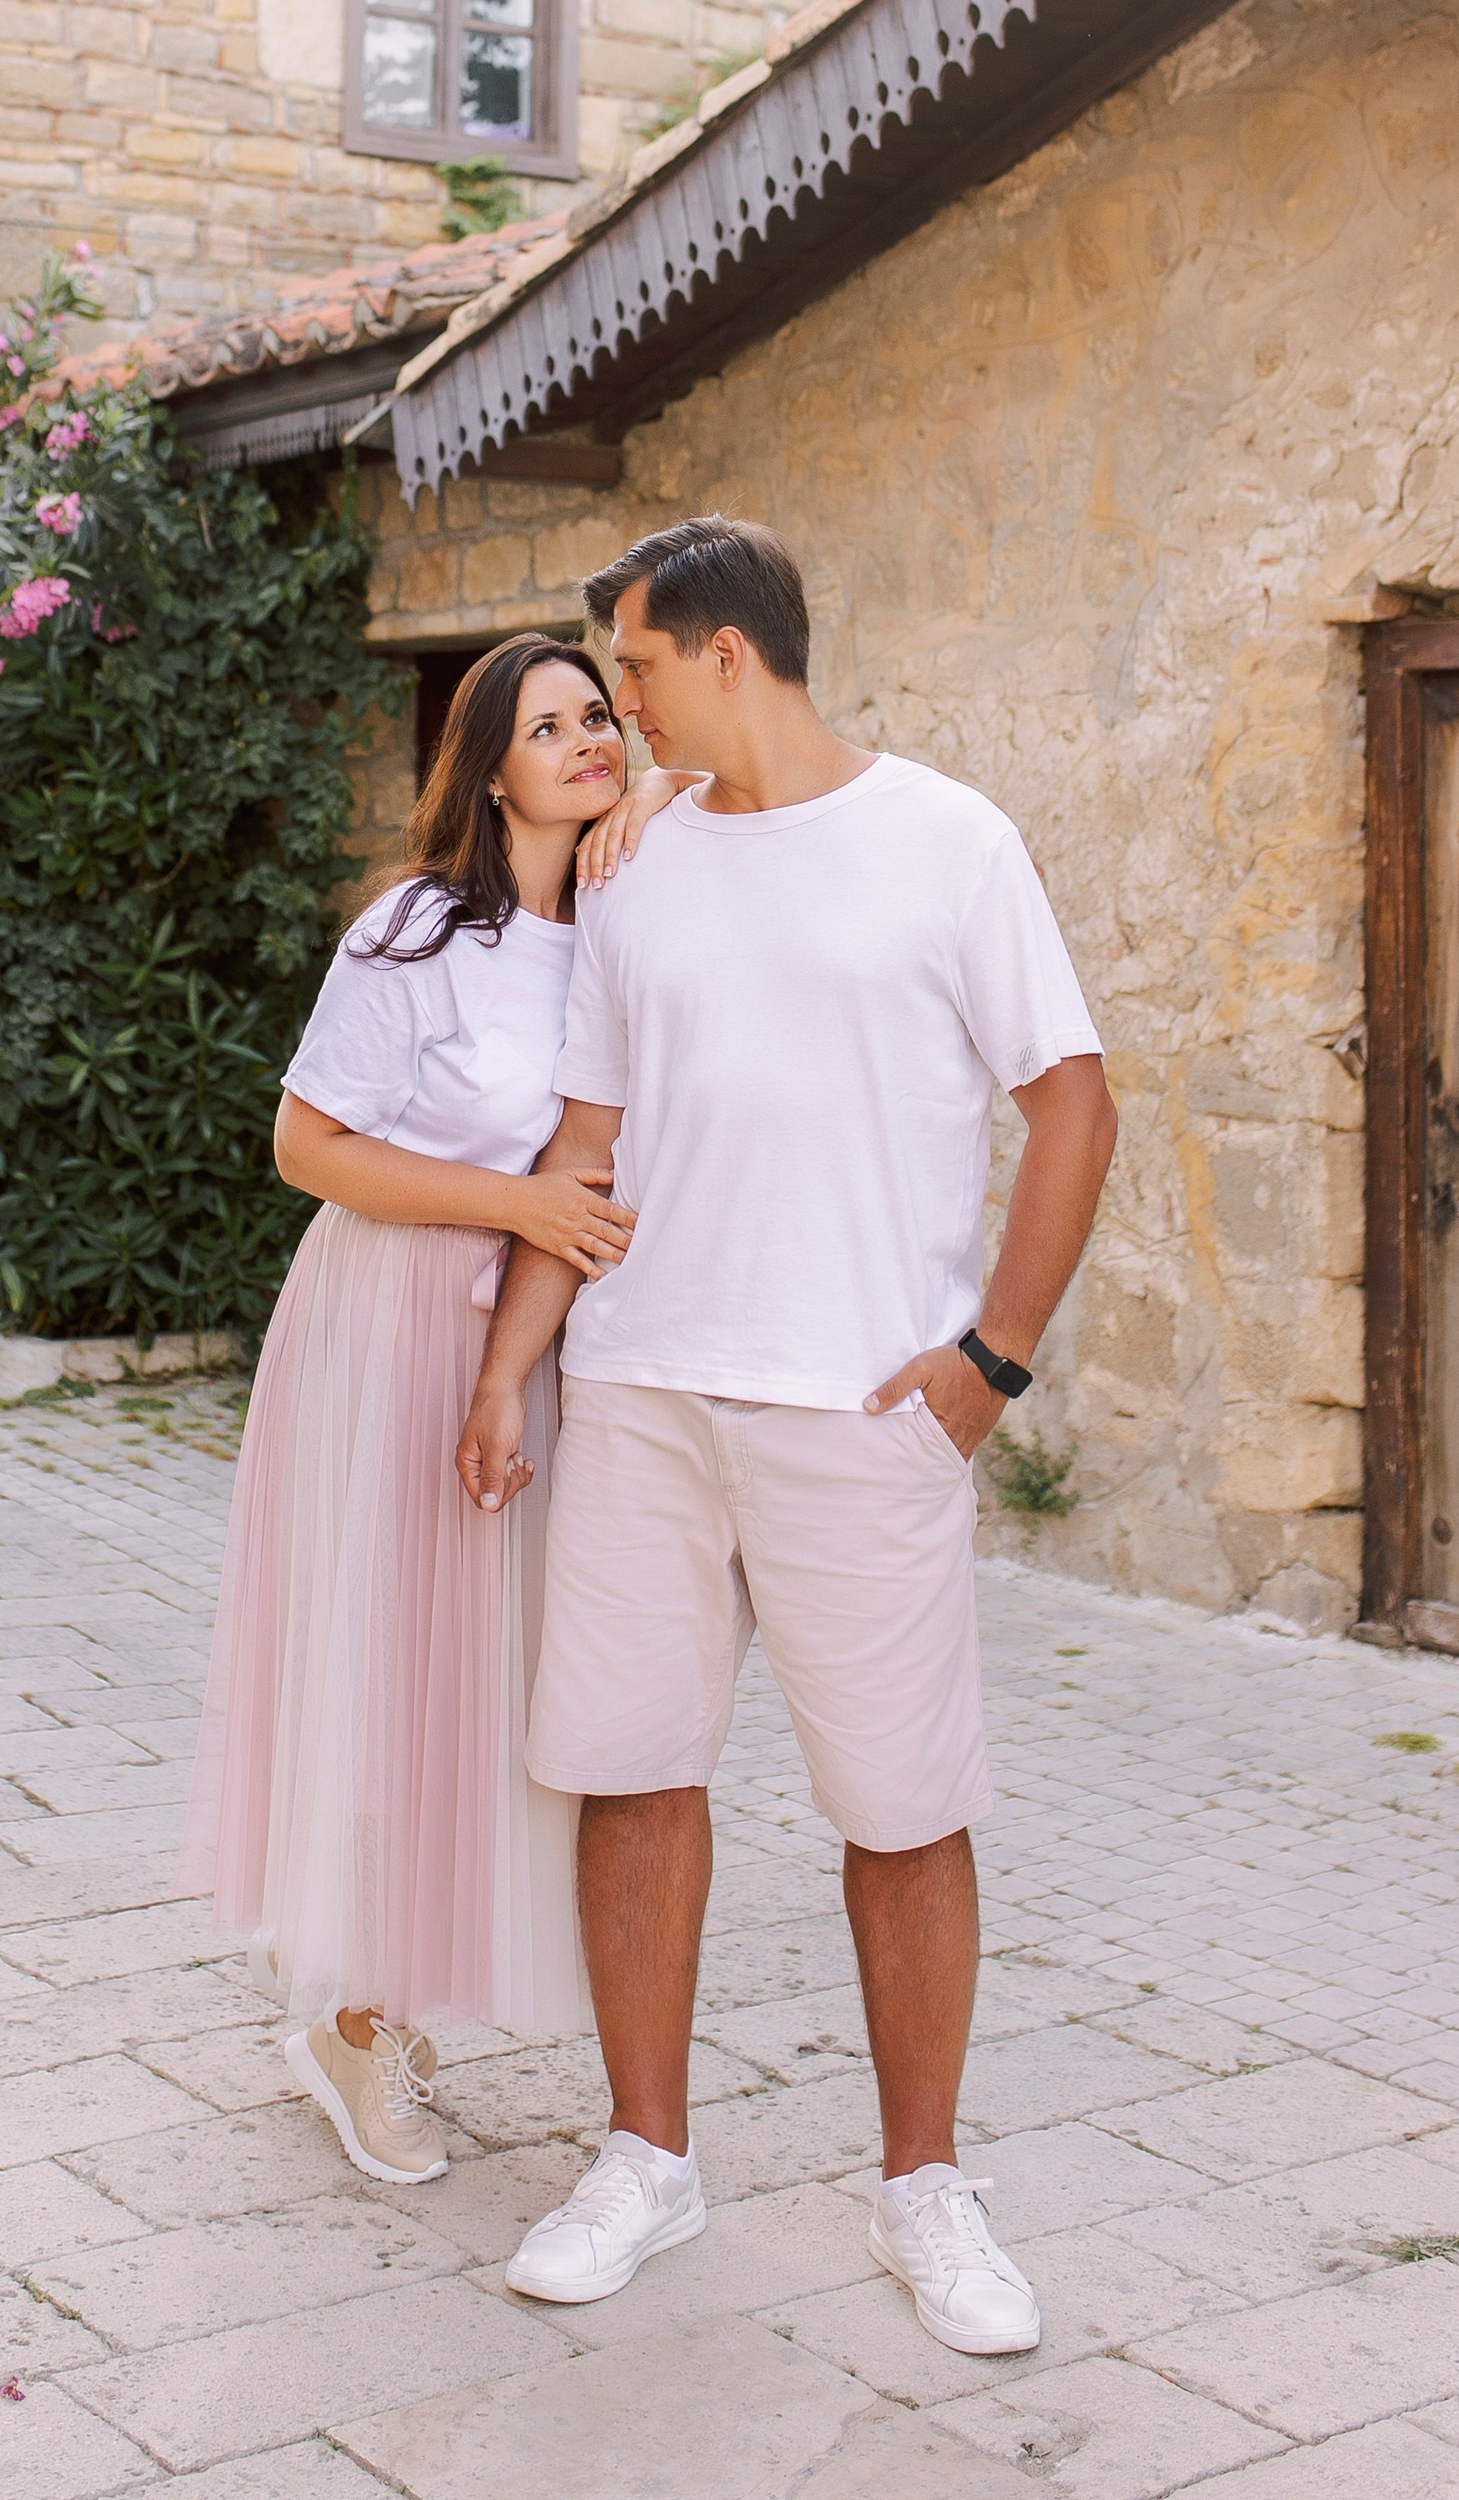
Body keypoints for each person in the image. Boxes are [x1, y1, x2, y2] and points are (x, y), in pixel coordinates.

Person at [457, 517, 1115, 2351]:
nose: (618, 707)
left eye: (638, 668)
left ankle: (926, 2190)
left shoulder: (948, 841)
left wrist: (995, 1358)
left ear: (728, 655)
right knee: (631, 1772)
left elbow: (1073, 1105)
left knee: (905, 1807)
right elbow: (585, 1146)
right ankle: (647, 2161)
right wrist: (516, 1367)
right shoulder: (635, 868)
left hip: (861, 1407)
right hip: (647, 1391)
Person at [180, 637, 685, 2184]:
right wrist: (517, 1204)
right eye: (550, 727)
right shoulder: (419, 932)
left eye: (600, 715)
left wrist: (656, 785)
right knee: (390, 1663)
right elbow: (308, 1146)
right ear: (488, 768)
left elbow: (722, 780)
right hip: (384, 1316)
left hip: (520, 1345)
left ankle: (376, 1987)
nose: (589, 740)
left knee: (483, 1683)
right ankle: (352, 2018)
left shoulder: (615, 929)